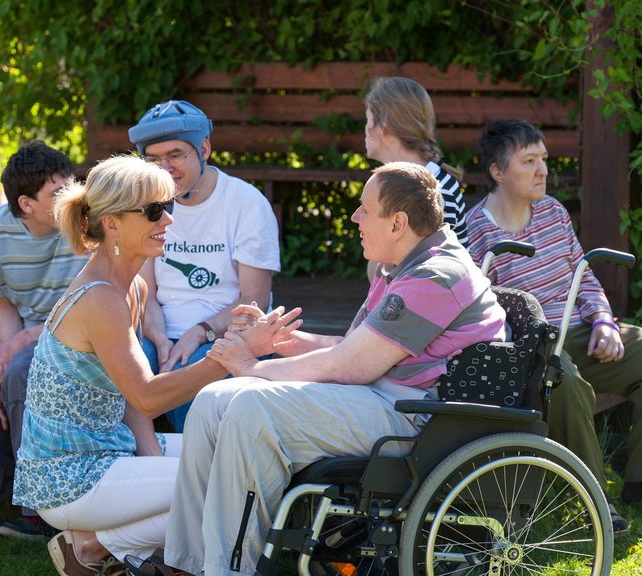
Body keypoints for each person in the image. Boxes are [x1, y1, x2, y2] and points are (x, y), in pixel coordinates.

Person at [147, 162, 508, 576]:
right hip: (384, 397)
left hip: (415, 418)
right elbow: (352, 348)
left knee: (252, 411)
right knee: (212, 400)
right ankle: (188, 564)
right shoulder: (403, 266)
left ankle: (227, 569)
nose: (354, 217)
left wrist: (251, 367)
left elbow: (352, 365)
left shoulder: (435, 276)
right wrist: (279, 342)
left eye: (364, 209)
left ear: (398, 223)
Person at [12, 155, 236, 576]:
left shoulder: (129, 286)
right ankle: (97, 548)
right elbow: (148, 397)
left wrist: (151, 462)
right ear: (112, 224)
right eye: (153, 210)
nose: (167, 219)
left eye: (167, 206)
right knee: (223, 486)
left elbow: (132, 400)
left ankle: (101, 546)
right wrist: (226, 357)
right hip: (69, 477)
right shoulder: (100, 298)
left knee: (239, 458)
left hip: (107, 450)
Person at [466, 118, 642, 531]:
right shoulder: (477, 233)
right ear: (497, 171)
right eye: (529, 161)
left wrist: (603, 321)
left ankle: (638, 482)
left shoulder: (552, 212)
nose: (543, 169)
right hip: (533, 347)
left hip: (578, 331)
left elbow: (583, 276)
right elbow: (481, 315)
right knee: (562, 379)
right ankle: (595, 502)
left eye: (543, 159)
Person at [0, 141, 88, 539]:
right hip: (18, 328)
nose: (73, 197)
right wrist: (6, 350)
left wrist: (19, 349)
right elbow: (2, 304)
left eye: (72, 184)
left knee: (19, 376)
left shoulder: (89, 223)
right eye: (58, 193)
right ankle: (7, 493)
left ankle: (39, 511)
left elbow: (97, 302)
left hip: (76, 331)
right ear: (26, 204)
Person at [128, 100, 281, 432]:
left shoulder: (246, 203)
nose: (165, 167)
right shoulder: (145, 206)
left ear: (204, 148)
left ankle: (198, 479)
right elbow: (145, 294)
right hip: (159, 335)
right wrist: (158, 337)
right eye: (154, 160)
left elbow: (255, 302)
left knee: (191, 392)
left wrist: (199, 333)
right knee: (116, 378)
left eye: (176, 155)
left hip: (226, 334)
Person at [365, 76, 468, 247]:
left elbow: (436, 269)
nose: (365, 129)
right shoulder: (389, 184)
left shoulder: (436, 189)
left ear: (383, 127)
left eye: (368, 120)